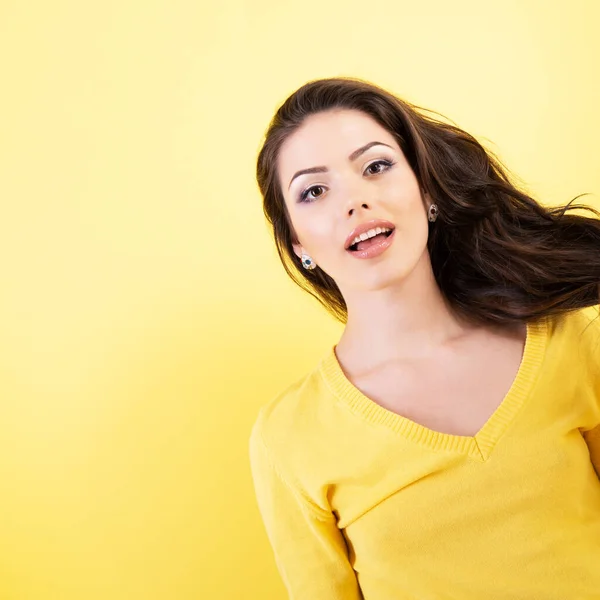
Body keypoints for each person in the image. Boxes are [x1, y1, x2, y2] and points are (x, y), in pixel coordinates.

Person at [248, 76, 600, 599]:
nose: (355, 201)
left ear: (426, 189)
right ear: (297, 241)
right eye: (314, 191)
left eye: (376, 166)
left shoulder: (565, 337)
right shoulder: (289, 437)